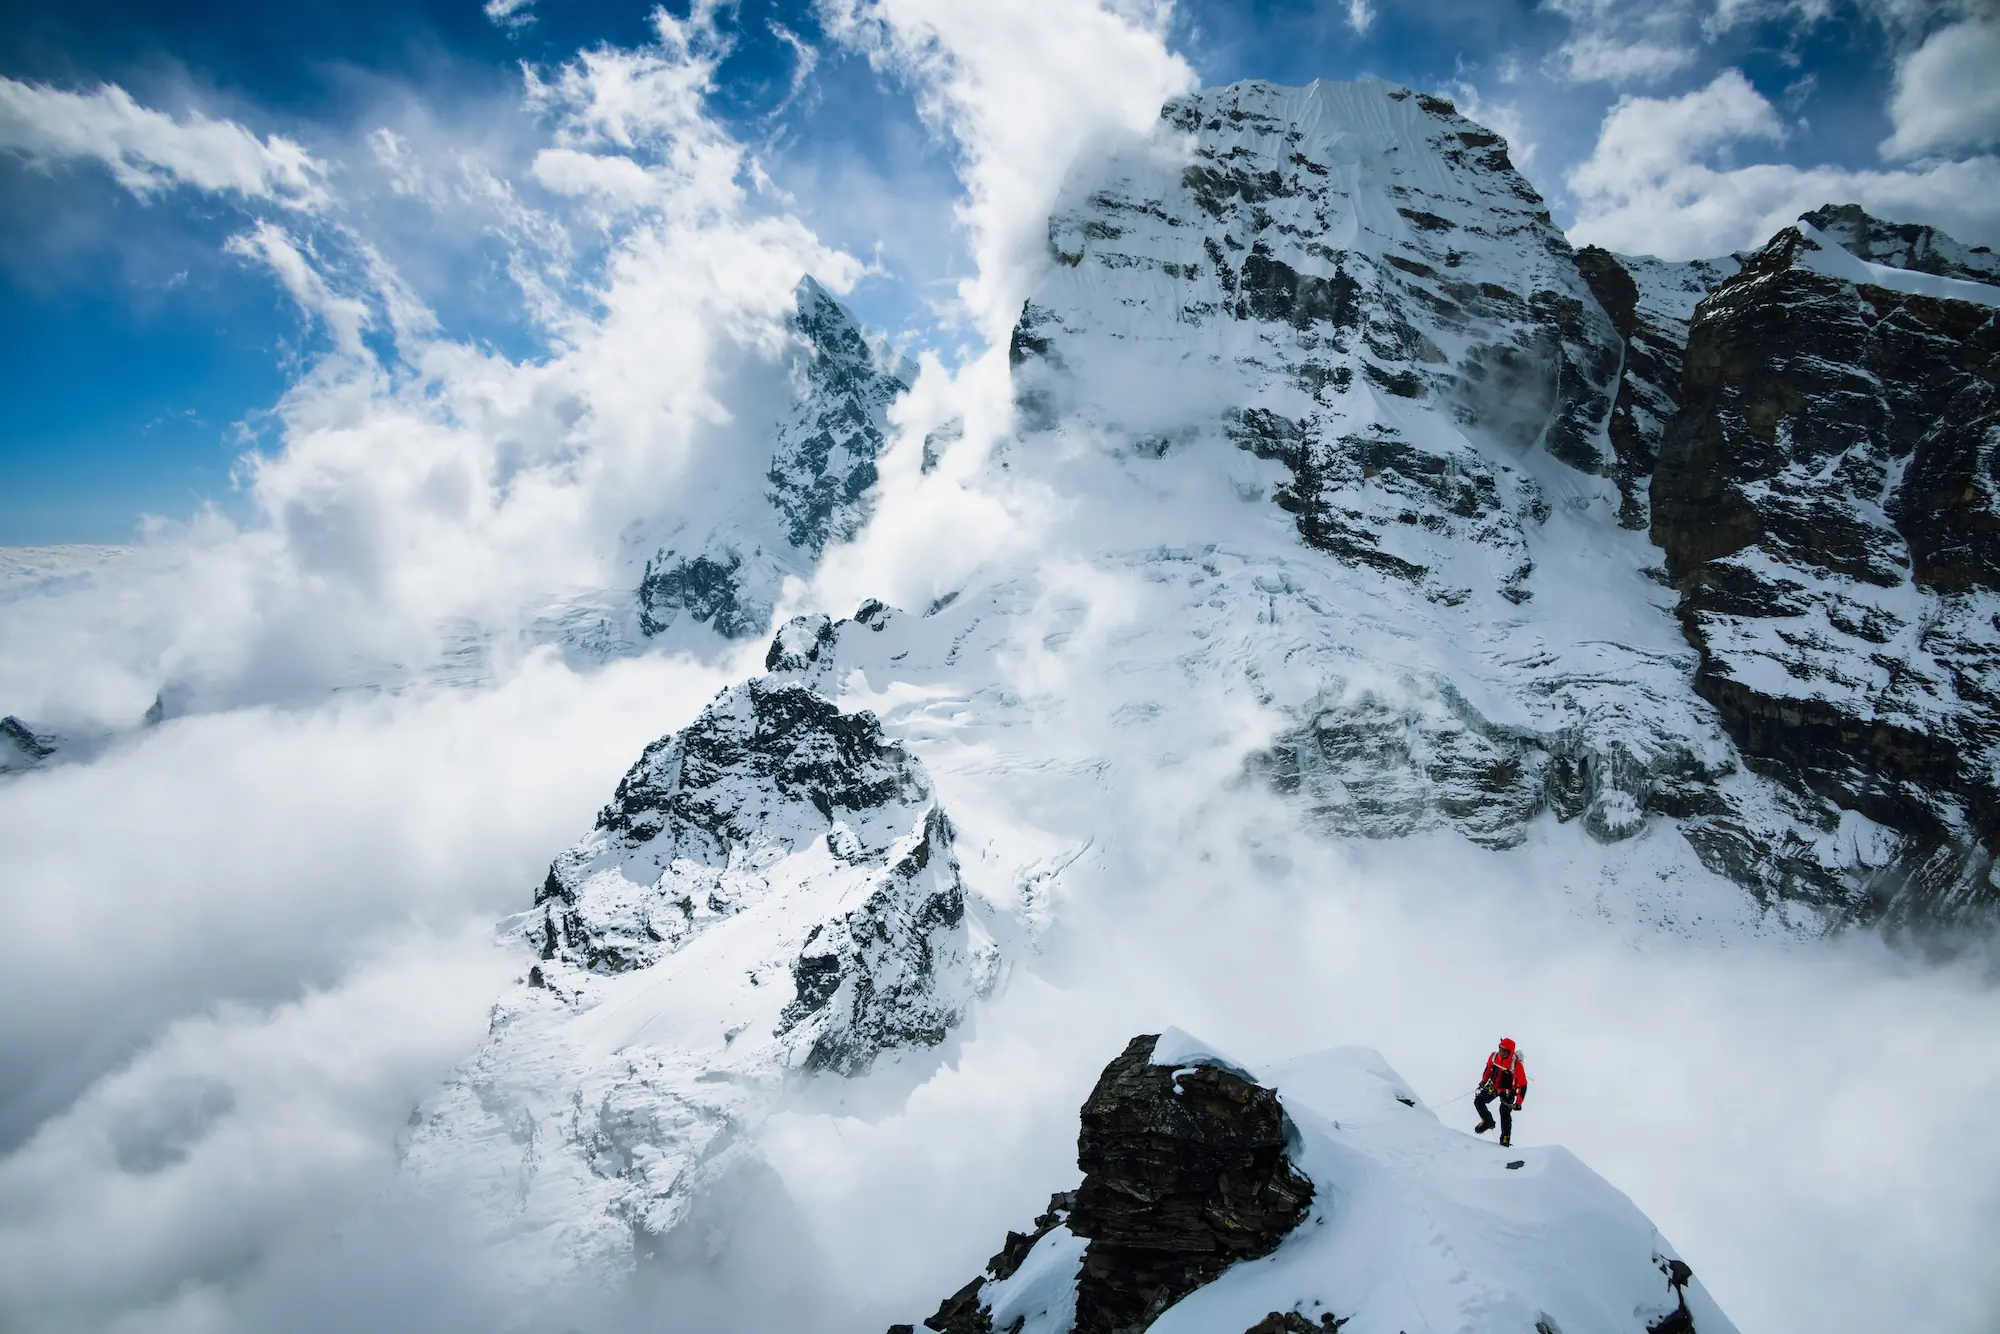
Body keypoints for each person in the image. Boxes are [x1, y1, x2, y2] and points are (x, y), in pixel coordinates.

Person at [1472, 1037, 1527, 1147]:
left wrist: (1518, 1103)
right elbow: (1488, 1069)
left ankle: (1505, 1139)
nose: (1501, 1053)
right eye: (1500, 1049)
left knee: (1504, 1111)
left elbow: (1523, 1084)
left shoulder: (1516, 1065)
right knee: (1479, 1100)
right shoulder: (1494, 1057)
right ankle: (1487, 1121)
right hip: (1494, 1086)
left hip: (1508, 1092)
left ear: (1510, 1052)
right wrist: (1483, 1082)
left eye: (1504, 1051)